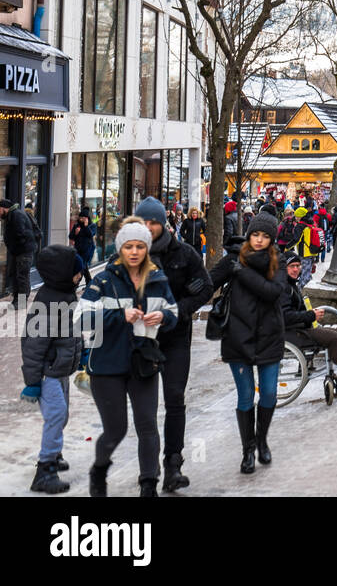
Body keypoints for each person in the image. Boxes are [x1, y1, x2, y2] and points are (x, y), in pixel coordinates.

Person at [76, 218, 178, 496]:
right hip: (107, 365)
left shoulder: (157, 279)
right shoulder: (103, 280)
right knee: (115, 429)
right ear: (121, 248)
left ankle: (149, 484)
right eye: (129, 246)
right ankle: (99, 470)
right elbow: (79, 319)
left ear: (147, 249)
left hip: (143, 363)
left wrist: (164, 317)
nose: (134, 252)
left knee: (147, 425)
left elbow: (174, 312)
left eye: (140, 246)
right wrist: (118, 315)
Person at [136, 196, 212, 494]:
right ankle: (147, 473)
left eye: (153, 222)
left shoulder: (184, 253)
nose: (148, 227)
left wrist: (178, 309)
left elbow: (205, 287)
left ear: (162, 223)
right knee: (145, 408)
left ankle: (173, 463)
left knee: (175, 398)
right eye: (143, 222)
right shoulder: (130, 253)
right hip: (141, 339)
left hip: (176, 338)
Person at [208, 211, 289, 474]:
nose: (259, 240)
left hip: (270, 338)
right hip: (238, 339)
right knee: (245, 396)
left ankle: (262, 438)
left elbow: (272, 292)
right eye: (255, 234)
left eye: (265, 236)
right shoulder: (233, 259)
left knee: (268, 393)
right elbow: (207, 284)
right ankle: (248, 450)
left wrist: (241, 273)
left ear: (272, 239)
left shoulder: (278, 262)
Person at [21, 244, 83, 494]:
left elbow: (71, 332)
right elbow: (33, 345)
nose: (80, 276)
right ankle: (44, 471)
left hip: (60, 371)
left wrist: (81, 354)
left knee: (62, 414)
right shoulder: (48, 301)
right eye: (77, 273)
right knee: (56, 415)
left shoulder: (65, 295)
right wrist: (33, 381)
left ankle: (54, 454)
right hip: (47, 373)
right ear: (62, 274)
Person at [280, 254, 337, 366]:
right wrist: (311, 315)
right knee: (334, 338)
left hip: (298, 329)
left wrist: (311, 314)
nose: (296, 269)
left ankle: (333, 365)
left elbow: (297, 311)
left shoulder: (291, 285)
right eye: (292, 266)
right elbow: (286, 316)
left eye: (298, 266)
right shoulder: (283, 287)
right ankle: (336, 362)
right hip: (290, 333)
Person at [1, 197, 39, 305]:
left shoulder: (16, 215)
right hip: (18, 251)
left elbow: (21, 234)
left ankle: (21, 302)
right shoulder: (11, 215)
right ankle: (16, 299)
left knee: (22, 276)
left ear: (4, 208)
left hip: (23, 251)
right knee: (15, 275)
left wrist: (16, 246)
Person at [291, 207, 323, 284]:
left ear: (300, 216)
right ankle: (307, 287)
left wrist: (286, 248)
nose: (295, 218)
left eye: (296, 216)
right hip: (313, 251)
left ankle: (301, 292)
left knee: (304, 275)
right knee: (306, 272)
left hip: (305, 253)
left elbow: (296, 240)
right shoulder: (311, 223)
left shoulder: (300, 226)